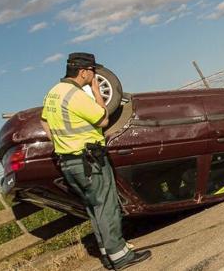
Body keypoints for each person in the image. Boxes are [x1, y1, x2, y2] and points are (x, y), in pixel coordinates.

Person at [40, 53, 151, 270]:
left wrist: (60, 144)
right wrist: (97, 90)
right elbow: (103, 118)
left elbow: (44, 121)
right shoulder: (76, 95)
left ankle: (108, 255)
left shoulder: (53, 93)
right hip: (89, 161)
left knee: (94, 208)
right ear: (83, 72)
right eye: (93, 72)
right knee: (106, 206)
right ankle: (120, 257)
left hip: (68, 162)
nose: (95, 75)